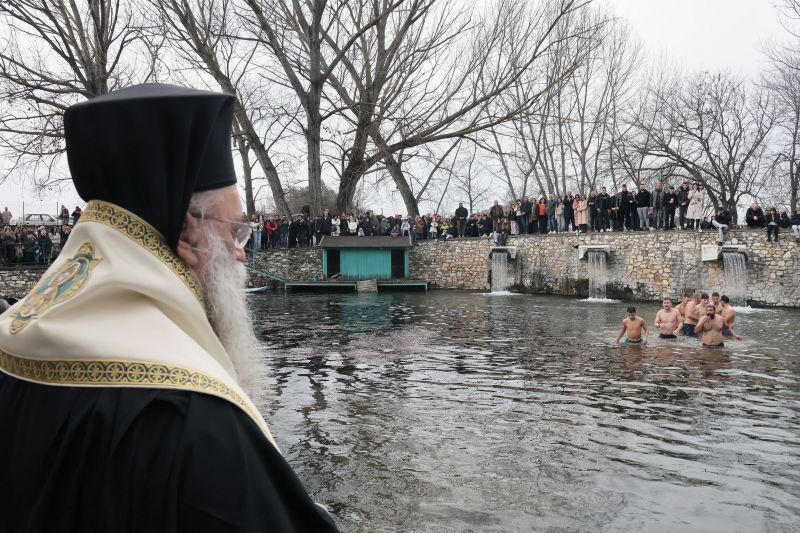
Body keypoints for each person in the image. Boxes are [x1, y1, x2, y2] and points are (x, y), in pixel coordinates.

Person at [0, 84, 338, 532]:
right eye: (235, 230)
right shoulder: (197, 418)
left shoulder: (13, 336)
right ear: (184, 233)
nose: (241, 252)